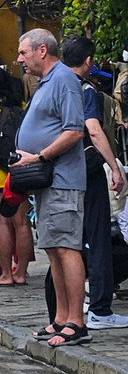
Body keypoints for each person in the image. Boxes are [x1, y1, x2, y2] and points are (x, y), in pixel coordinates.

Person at [14, 28, 89, 347]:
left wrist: (39, 156)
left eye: (23, 53)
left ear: (42, 50)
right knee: (52, 248)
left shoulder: (64, 80)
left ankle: (76, 322)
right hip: (47, 181)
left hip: (63, 180)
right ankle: (60, 318)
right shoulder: (47, 82)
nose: (19, 59)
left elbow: (75, 130)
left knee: (66, 248)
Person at [61, 36, 128, 330]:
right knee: (98, 236)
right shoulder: (85, 89)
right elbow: (93, 129)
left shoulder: (54, 87)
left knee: (68, 241)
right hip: (86, 169)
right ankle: (99, 306)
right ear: (88, 62)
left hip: (60, 173)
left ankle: (69, 308)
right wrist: (114, 166)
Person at [0, 66, 34, 287]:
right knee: (22, 224)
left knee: (2, 224)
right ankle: (21, 272)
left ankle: (6, 275)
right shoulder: (21, 109)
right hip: (22, 173)